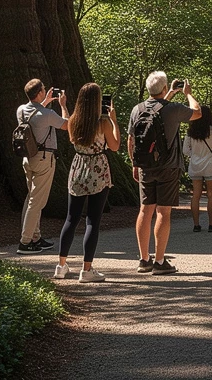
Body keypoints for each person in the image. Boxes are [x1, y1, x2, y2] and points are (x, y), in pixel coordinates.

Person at [129, 72, 201, 275]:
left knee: (145, 210)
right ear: (163, 88)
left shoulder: (137, 109)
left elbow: (131, 139)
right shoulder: (174, 109)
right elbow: (197, 113)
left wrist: (135, 164)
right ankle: (160, 261)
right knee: (163, 212)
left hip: (145, 166)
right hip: (168, 167)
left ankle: (144, 259)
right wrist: (188, 93)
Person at [54, 83, 120, 282]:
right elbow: (115, 146)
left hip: (78, 167)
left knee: (71, 218)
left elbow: (68, 129)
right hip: (98, 169)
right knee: (92, 220)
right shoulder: (103, 122)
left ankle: (61, 266)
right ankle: (87, 269)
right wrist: (114, 120)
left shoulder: (74, 121)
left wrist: (63, 106)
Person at [16, 78, 71, 255]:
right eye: (44, 90)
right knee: (36, 201)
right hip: (43, 159)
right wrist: (63, 105)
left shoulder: (21, 110)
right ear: (39, 92)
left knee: (31, 198)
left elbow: (36, 113)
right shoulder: (48, 114)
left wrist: (45, 101)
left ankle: (35, 237)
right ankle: (25, 242)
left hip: (28, 158)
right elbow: (67, 125)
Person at [182, 104, 212, 232]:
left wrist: (194, 155)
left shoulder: (190, 132)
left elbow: (185, 151)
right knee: (211, 195)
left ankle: (196, 225)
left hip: (195, 166)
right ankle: (211, 224)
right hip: (210, 165)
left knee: (196, 195)